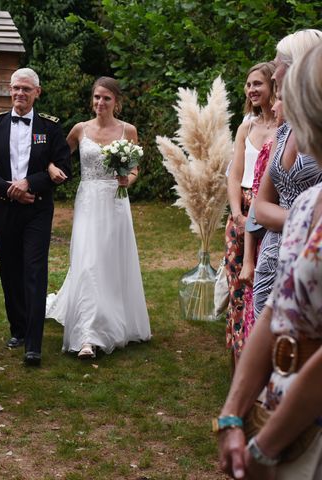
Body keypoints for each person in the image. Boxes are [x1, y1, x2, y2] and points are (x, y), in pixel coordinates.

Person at [217, 42, 322, 480]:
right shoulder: (307, 206)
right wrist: (233, 416)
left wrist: (265, 447)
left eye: (287, 94)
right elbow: (279, 309)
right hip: (282, 406)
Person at [45, 76, 150, 358]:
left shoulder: (129, 131)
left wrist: (129, 178)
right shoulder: (80, 129)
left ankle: (114, 315)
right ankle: (87, 336)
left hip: (116, 202)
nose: (100, 103)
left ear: (116, 101)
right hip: (89, 201)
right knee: (88, 261)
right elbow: (56, 155)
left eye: (106, 98)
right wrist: (52, 168)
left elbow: (136, 167)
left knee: (110, 260)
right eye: (96, 97)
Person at [0, 67, 72, 366]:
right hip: (4, 208)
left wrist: (30, 183)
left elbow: (64, 167)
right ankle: (17, 328)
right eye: (16, 88)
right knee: (10, 269)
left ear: (37, 93)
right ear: (9, 90)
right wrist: (9, 189)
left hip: (37, 210)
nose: (20, 94)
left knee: (34, 269)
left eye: (26, 89)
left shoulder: (51, 127)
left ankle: (34, 342)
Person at [253, 29, 322, 321]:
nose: (273, 68)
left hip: (310, 261)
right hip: (271, 259)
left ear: (299, 67)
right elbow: (260, 206)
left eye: (278, 61)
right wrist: (302, 218)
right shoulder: (284, 131)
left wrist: (290, 219)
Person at [224, 62, 277, 361]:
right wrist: (237, 215)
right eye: (248, 85)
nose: (251, 90)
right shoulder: (246, 125)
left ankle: (263, 358)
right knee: (238, 286)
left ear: (272, 86)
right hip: (241, 210)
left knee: (263, 283)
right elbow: (234, 175)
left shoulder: (284, 127)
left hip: (268, 211)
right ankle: (239, 357)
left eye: (257, 83)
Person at [239, 92, 284, 342]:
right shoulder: (273, 144)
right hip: (269, 243)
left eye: (281, 98)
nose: (274, 106)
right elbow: (259, 205)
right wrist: (248, 260)